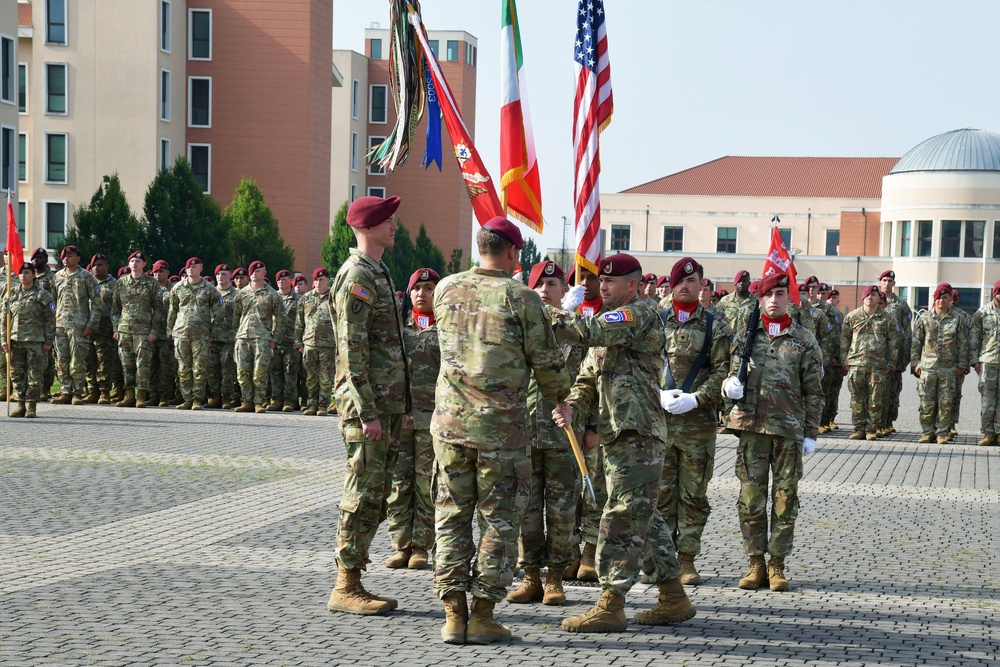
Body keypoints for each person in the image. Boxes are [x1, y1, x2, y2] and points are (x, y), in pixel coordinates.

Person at [432, 218, 569, 644]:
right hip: (501, 431)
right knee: (499, 520)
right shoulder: (522, 298)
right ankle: (483, 615)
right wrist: (561, 396)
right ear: (513, 252)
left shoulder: (445, 288)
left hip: (450, 426)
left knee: (451, 516)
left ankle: (453, 614)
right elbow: (546, 362)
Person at [550, 253, 695, 633]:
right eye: (602, 281)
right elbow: (586, 378)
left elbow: (588, 332)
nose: (604, 286)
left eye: (612, 281)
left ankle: (611, 604)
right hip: (619, 436)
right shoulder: (607, 326)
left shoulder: (639, 314)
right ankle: (674, 597)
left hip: (639, 435)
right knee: (646, 519)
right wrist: (571, 407)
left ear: (633, 285)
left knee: (621, 519)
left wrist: (546, 312)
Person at [326, 195, 409, 617]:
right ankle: (345, 585)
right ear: (367, 226)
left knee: (376, 495)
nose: (394, 225)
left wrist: (401, 404)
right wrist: (368, 411)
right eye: (387, 219)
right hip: (368, 407)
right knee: (361, 494)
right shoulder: (357, 275)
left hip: (387, 404)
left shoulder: (377, 270)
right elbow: (351, 350)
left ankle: (354, 579)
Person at [722, 271, 823, 592]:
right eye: (768, 295)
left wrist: (811, 432)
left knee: (785, 499)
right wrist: (729, 387)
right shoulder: (745, 336)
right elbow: (728, 373)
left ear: (788, 297)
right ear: (760, 299)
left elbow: (815, 391)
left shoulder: (804, 339)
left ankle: (777, 565)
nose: (774, 300)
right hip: (750, 430)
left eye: (780, 294)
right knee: (750, 500)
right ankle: (755, 564)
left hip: (788, 431)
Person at [506, 260, 585, 607]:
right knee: (525, 509)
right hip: (523, 433)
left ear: (564, 291)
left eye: (552, 284)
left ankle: (556, 578)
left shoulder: (576, 330)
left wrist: (591, 425)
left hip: (563, 435)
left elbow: (590, 380)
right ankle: (531, 576)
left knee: (562, 510)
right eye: (538, 284)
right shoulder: (517, 329)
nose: (544, 290)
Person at [653, 258, 732, 586]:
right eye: (679, 281)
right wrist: (654, 394)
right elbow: (642, 363)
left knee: (693, 495)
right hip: (660, 423)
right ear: (672, 285)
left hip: (698, 425)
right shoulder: (655, 321)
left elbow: (722, 371)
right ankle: (661, 557)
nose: (685, 285)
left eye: (692, 280)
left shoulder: (716, 325)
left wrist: (698, 398)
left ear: (703, 285)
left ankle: (686, 559)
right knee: (660, 494)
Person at [385, 267, 441, 571]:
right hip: (401, 417)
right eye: (417, 288)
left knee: (426, 484)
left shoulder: (446, 328)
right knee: (398, 484)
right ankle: (400, 544)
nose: (423, 293)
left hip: (432, 419)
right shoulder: (399, 327)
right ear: (409, 293)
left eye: (430, 288)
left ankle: (421, 546)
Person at [560, 263, 605, 583]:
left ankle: (589, 551)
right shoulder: (559, 319)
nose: (586, 283)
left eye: (593, 277)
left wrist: (594, 426)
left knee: (593, 487)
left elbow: (599, 381)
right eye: (581, 277)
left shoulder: (606, 320)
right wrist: (565, 316)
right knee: (565, 490)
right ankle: (570, 551)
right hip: (559, 419)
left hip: (590, 418)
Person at [912, 283, 970, 444]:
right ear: (934, 299)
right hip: (928, 367)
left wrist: (961, 365)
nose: (941, 301)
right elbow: (916, 342)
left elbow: (963, 344)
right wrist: (915, 363)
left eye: (945, 298)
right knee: (926, 401)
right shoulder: (925, 318)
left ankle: (942, 432)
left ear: (951, 299)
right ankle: (927, 432)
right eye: (938, 298)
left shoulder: (957, 319)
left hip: (949, 368)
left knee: (946, 402)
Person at [841, 285, 900, 440]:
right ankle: (859, 428)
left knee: (876, 399)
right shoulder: (852, 317)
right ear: (862, 297)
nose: (870, 297)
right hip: (856, 364)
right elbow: (844, 340)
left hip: (878, 365)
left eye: (874, 294)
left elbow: (894, 343)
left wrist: (891, 364)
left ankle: (871, 430)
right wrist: (845, 360)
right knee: (856, 398)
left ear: (878, 298)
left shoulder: (887, 319)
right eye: (867, 294)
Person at [2, 262, 56, 418]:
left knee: (35, 375)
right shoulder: (12, 294)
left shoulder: (42, 295)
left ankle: (31, 406)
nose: (23, 276)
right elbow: (4, 319)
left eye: (27, 273)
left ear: (33, 275)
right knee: (17, 374)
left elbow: (50, 319)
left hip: (36, 340)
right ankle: (20, 405)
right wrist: (4, 339)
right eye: (21, 273)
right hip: (15, 340)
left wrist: (49, 340)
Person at [167, 258, 221, 411]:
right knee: (183, 368)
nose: (191, 269)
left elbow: (219, 312)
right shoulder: (178, 288)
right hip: (181, 333)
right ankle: (187, 399)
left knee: (199, 368)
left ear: (201, 268)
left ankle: (197, 399)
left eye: (194, 266)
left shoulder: (209, 289)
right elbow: (172, 311)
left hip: (201, 334)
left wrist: (213, 331)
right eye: (188, 267)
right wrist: (170, 330)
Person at [232, 260, 286, 413]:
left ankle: (259, 402)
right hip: (243, 337)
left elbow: (281, 317)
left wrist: (275, 338)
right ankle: (247, 401)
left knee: (259, 372)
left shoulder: (272, 294)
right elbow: (236, 316)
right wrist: (236, 335)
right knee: (242, 371)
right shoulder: (242, 294)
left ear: (264, 273)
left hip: (262, 338)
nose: (255, 274)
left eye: (258, 271)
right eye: (253, 271)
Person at [51, 245, 102, 404]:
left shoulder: (87, 277)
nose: (66, 258)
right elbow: (53, 301)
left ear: (78, 258)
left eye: (71, 255)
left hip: (79, 326)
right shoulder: (57, 277)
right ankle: (65, 391)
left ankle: (77, 393)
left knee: (77, 361)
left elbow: (96, 303)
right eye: (64, 256)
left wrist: (91, 324)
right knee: (61, 360)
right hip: (60, 325)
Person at [111, 251, 163, 408]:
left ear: (144, 264)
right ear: (129, 264)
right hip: (124, 329)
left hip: (143, 331)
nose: (135, 263)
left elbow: (158, 309)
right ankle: (128, 396)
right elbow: (115, 308)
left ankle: (141, 396)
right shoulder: (121, 283)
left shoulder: (151, 283)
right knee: (127, 364)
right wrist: (116, 328)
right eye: (132, 261)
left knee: (142, 364)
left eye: (138, 261)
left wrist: (154, 330)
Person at [295, 267, 336, 416]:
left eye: (321, 280)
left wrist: (337, 344)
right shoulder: (306, 298)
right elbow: (299, 322)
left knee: (325, 377)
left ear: (328, 280)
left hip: (328, 344)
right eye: (316, 280)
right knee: (311, 377)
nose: (318, 283)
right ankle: (312, 404)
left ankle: (323, 405)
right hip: (309, 343)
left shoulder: (334, 297)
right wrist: (298, 343)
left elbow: (339, 321)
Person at [878, 270, 912, 435]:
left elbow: (907, 332)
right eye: (884, 280)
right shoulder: (872, 299)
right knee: (877, 391)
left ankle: (888, 422)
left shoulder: (901, 304)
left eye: (890, 281)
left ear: (894, 284)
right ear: (880, 282)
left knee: (893, 390)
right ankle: (875, 423)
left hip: (895, 355)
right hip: (876, 356)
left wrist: (905, 357)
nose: (887, 283)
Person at [85, 254, 120, 404]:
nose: (96, 268)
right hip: (87, 327)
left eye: (100, 265)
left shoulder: (116, 284)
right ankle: (92, 390)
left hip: (106, 328)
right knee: (88, 360)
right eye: (94, 265)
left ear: (107, 266)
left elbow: (120, 307)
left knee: (104, 361)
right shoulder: (87, 282)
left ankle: (105, 391)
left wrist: (116, 328)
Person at [266, 269, 301, 412]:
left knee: (290, 372)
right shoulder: (271, 297)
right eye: (279, 280)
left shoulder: (298, 299)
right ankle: (277, 399)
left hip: (291, 341)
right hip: (274, 341)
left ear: (291, 281)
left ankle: (289, 400)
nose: (282, 281)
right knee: (274, 372)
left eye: (285, 279)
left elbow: (303, 321)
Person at [970, 279, 1000, 446]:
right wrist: (974, 360)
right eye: (999, 292)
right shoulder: (982, 313)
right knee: (988, 400)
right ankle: (988, 432)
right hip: (988, 362)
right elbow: (974, 337)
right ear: (994, 293)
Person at [208, 264, 239, 409]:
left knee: (227, 370)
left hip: (229, 338)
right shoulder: (209, 292)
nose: (221, 277)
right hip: (211, 337)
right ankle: (215, 397)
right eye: (219, 274)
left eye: (224, 274)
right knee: (211, 369)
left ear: (230, 276)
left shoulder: (237, 294)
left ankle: (226, 398)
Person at [150, 259, 177, 406]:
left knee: (166, 367)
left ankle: (164, 396)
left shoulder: (174, 289)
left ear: (167, 272)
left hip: (166, 335)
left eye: (161, 271)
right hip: (150, 334)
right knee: (151, 366)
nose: (158, 274)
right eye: (155, 272)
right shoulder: (149, 288)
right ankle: (153, 395)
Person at [949, 290, 973, 437]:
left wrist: (966, 363)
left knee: (955, 395)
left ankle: (951, 424)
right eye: (950, 298)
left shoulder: (964, 317)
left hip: (957, 363)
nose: (952, 301)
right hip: (939, 365)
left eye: (955, 298)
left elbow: (970, 340)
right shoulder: (932, 314)